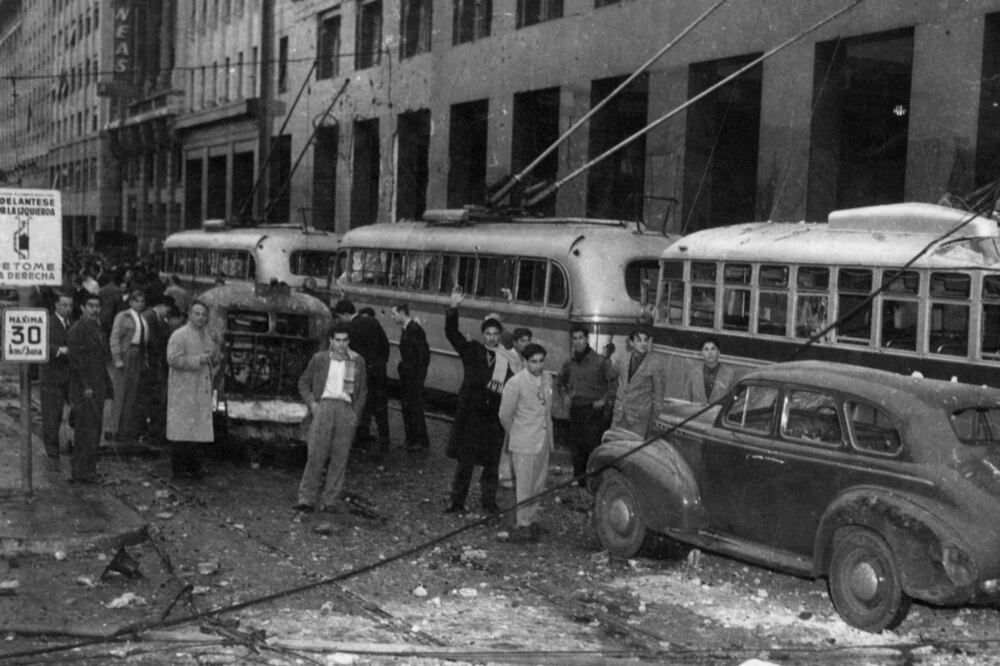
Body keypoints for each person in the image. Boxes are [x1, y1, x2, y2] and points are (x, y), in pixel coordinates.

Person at [444, 287, 521, 515]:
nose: (492, 337)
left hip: (493, 418)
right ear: (483, 334)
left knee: (491, 463)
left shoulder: (507, 360)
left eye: (495, 334)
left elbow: (511, 388)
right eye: (488, 334)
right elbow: (452, 335)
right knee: (465, 462)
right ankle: (457, 502)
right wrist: (453, 307)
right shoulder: (473, 351)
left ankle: (489, 502)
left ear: (499, 336)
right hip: (472, 416)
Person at [295, 320, 368, 513]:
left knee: (340, 457)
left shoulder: (356, 361)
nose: (341, 344)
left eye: (345, 340)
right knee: (315, 455)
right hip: (323, 408)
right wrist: (312, 404)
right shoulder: (320, 359)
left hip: (346, 408)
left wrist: (355, 414)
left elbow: (362, 392)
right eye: (338, 340)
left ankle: (329, 501)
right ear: (331, 340)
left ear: (349, 341)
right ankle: (306, 498)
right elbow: (303, 383)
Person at [499, 343, 554, 543]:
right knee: (524, 486)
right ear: (524, 361)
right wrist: (517, 434)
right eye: (533, 362)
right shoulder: (515, 383)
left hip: (543, 441)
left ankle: (532, 520)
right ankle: (522, 524)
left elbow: (547, 409)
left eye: (541, 361)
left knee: (538, 484)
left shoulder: (548, 378)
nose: (538, 366)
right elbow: (504, 415)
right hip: (524, 443)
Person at [166, 300, 222, 479]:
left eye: (204, 315)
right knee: (182, 429)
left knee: (198, 429)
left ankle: (194, 467)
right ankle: (179, 469)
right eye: (197, 314)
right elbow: (173, 359)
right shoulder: (179, 335)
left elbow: (214, 359)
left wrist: (217, 348)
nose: (200, 317)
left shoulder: (207, 335)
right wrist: (197, 360)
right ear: (189, 314)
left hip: (201, 388)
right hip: (184, 388)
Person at [558, 325, 616, 486]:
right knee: (576, 446)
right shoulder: (569, 362)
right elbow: (560, 381)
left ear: (587, 339)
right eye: (575, 338)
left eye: (581, 338)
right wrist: (565, 396)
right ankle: (578, 478)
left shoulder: (599, 361)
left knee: (592, 447)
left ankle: (593, 481)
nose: (578, 342)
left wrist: (604, 401)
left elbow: (613, 384)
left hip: (592, 411)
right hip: (576, 409)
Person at [333, 300, 391, 454]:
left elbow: (350, 356)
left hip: (362, 373)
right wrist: (380, 364)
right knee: (381, 406)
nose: (340, 321)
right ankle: (385, 439)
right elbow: (385, 345)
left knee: (363, 405)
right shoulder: (373, 321)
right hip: (379, 371)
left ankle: (362, 438)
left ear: (345, 314)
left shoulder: (349, 329)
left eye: (340, 317)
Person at [66, 293, 113, 483]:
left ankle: (89, 471)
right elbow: (75, 362)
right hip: (84, 390)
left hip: (97, 387)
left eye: (97, 306)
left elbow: (100, 361)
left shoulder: (97, 328)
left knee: (94, 431)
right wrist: (85, 386)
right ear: (83, 308)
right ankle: (80, 473)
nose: (95, 310)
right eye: (91, 306)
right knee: (85, 431)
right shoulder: (78, 330)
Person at [109, 289, 149, 444]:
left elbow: (144, 341)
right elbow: (114, 338)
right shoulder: (123, 316)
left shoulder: (143, 319)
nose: (140, 304)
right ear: (131, 302)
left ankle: (124, 429)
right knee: (120, 392)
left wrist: (144, 359)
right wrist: (117, 358)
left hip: (137, 354)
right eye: (137, 301)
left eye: (142, 301)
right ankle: (114, 429)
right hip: (126, 353)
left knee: (132, 393)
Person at [610, 327, 665, 438]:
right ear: (631, 343)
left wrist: (653, 419)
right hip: (619, 414)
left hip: (639, 419)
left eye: (645, 340)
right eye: (639, 340)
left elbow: (659, 396)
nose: (643, 343)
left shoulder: (654, 364)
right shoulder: (623, 358)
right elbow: (610, 375)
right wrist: (605, 357)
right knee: (613, 449)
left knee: (633, 451)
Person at [40, 293, 74, 471]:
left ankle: (70, 444)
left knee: (73, 411)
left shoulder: (72, 323)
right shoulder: (48, 322)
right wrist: (58, 350)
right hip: (52, 375)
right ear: (56, 305)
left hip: (69, 376)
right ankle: (52, 451)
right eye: (64, 305)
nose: (67, 308)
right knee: (52, 415)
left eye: (70, 305)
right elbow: (40, 344)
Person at [390, 303, 430, 451]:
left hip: (412, 377)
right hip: (410, 376)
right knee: (409, 408)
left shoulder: (413, 330)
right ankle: (413, 439)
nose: (392, 317)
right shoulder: (410, 329)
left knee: (413, 408)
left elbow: (422, 355)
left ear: (402, 313)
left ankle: (417, 440)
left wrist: (415, 375)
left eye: (394, 314)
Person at [499, 327, 532, 488]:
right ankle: (504, 474)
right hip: (510, 404)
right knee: (507, 439)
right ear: (515, 342)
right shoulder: (508, 357)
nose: (526, 344)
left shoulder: (526, 359)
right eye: (522, 341)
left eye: (528, 341)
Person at [140, 295, 175, 447]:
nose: (167, 313)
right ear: (161, 305)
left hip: (155, 363)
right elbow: (154, 342)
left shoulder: (155, 318)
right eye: (167, 310)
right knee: (153, 397)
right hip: (152, 363)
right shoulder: (150, 317)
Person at [682, 337, 735, 404]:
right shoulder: (693, 373)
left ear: (718, 352)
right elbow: (686, 398)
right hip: (697, 413)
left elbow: (732, 401)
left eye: (713, 349)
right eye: (706, 349)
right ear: (701, 353)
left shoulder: (729, 374)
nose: (710, 353)